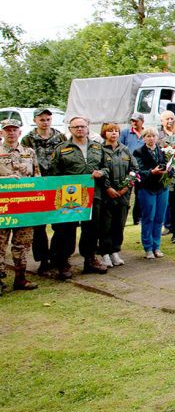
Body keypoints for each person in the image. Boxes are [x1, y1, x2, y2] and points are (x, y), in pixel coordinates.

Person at [51, 116, 107, 278]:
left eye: (82, 126)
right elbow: (54, 173)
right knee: (67, 229)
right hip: (70, 196)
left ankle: (90, 259)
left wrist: (101, 172)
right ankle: (64, 261)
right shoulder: (61, 149)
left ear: (88, 128)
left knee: (92, 228)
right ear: (70, 129)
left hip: (93, 193)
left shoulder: (98, 147)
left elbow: (106, 167)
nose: (80, 129)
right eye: (76, 127)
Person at [21, 108, 65, 275]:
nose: (45, 122)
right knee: (39, 226)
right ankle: (43, 260)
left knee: (60, 224)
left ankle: (56, 255)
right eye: (41, 119)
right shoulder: (28, 139)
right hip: (38, 186)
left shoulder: (60, 137)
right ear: (35, 121)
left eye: (48, 119)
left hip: (56, 185)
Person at [0, 118, 41, 293]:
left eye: (14, 129)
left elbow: (37, 176)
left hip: (25, 207)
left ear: (20, 132)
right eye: (7, 130)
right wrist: (4, 180)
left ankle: (20, 278)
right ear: (1, 133)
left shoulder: (29, 152)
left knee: (23, 244)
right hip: (3, 207)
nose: (11, 133)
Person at [97, 122, 135, 267]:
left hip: (123, 194)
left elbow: (134, 169)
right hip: (106, 194)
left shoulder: (125, 150)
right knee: (105, 225)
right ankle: (105, 253)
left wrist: (126, 187)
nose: (114, 133)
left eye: (116, 131)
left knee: (119, 224)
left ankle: (115, 251)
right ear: (104, 133)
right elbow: (98, 170)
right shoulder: (99, 150)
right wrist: (107, 188)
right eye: (110, 131)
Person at [133, 128, 169, 259]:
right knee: (148, 218)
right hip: (146, 188)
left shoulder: (163, 151)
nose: (151, 138)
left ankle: (156, 246)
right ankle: (148, 247)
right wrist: (151, 172)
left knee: (159, 218)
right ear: (143, 138)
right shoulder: (138, 152)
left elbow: (169, 166)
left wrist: (168, 170)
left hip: (162, 187)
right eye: (148, 136)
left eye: (153, 136)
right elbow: (138, 171)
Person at [119, 112, 146, 225]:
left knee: (140, 194)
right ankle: (122, 218)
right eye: (132, 121)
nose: (133, 123)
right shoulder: (125, 133)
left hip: (142, 168)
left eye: (136, 121)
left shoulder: (146, 133)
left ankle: (137, 218)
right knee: (126, 193)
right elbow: (120, 147)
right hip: (128, 168)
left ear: (142, 121)